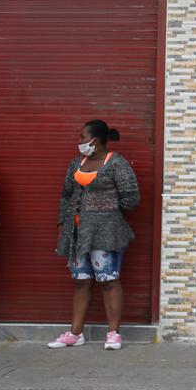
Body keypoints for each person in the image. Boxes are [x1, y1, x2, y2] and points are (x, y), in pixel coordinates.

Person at [48, 120, 140, 351]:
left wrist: (106, 208)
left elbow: (131, 197)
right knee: (81, 282)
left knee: (109, 280)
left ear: (95, 141)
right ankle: (75, 333)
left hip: (105, 234)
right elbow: (66, 195)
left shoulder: (116, 164)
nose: (79, 142)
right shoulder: (77, 163)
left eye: (82, 137)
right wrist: (62, 222)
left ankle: (113, 333)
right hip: (78, 235)